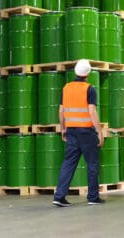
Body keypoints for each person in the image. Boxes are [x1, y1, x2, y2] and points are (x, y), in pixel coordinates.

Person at [53, 59, 104, 207]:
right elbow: (92, 111)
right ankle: (93, 197)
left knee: (68, 163)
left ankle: (59, 196)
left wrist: (63, 128)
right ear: (88, 73)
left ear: (75, 72)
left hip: (71, 131)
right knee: (92, 164)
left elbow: (61, 111)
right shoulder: (89, 89)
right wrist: (99, 132)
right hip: (86, 132)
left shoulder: (66, 88)